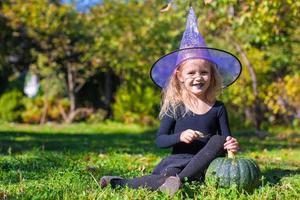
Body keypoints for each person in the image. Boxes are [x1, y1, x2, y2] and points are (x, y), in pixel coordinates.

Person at [100, 7, 242, 197]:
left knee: (218, 139)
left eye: (204, 72)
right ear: (180, 76)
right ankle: (120, 182)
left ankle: (178, 181)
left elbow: (225, 141)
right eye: (191, 73)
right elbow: (160, 140)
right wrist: (180, 136)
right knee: (166, 177)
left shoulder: (218, 108)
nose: (198, 77)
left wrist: (231, 145)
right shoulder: (175, 108)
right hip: (177, 161)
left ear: (212, 75)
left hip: (206, 164)